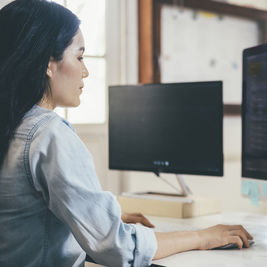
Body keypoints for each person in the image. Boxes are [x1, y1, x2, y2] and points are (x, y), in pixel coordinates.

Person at [0, 1, 253, 267]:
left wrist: (103, 219)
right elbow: (118, 248)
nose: (85, 71)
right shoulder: (48, 134)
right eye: (79, 57)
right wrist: (202, 237)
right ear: (47, 64)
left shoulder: (12, 127)